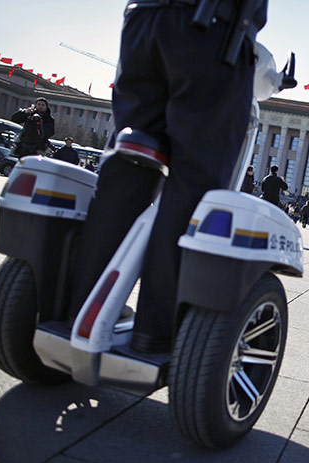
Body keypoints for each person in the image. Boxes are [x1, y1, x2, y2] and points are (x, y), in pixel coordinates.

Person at [68, 0, 268, 354]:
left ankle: (78, 308)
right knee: (194, 181)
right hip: (210, 28)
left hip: (142, 22)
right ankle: (155, 330)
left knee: (124, 167)